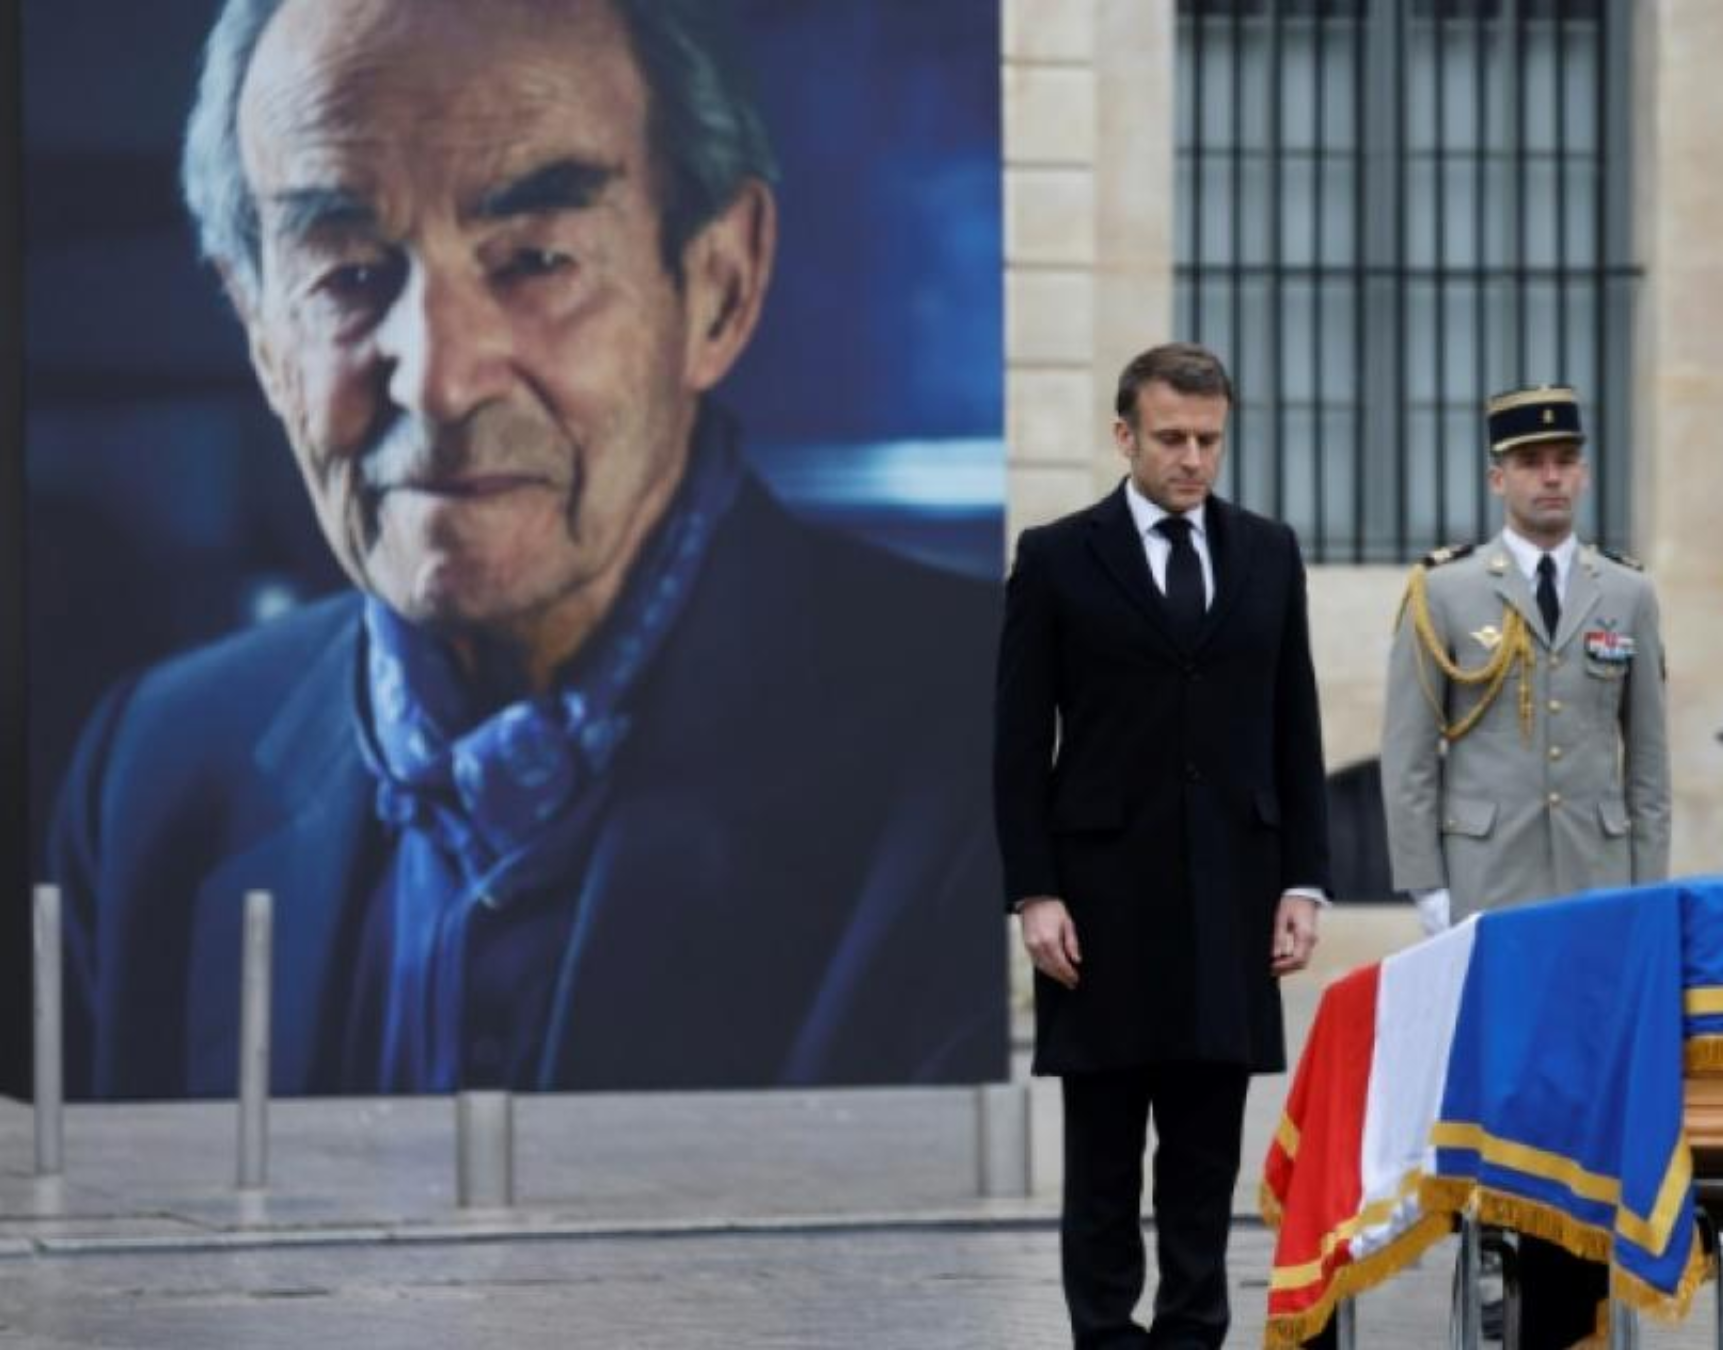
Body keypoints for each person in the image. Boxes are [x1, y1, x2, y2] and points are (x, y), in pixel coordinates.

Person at [50, 0, 1003, 1097]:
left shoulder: (1007, 755)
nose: (441, 376)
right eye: (349, 273)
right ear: (263, 333)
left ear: (719, 288)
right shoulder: (152, 777)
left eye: (537, 259)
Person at [993, 343, 1332, 1350]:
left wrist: (1303, 881)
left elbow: (1295, 728)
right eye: (1173, 438)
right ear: (1124, 436)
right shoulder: (1056, 558)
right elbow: (1017, 745)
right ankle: (1104, 1337)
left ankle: (1193, 1336)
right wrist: (1033, 893)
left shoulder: (1269, 551)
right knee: (1101, 1164)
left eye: (1210, 440)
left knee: (1201, 1159)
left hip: (1230, 897)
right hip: (1097, 906)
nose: (1193, 458)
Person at [1377, 384, 1670, 1349]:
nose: (1551, 477)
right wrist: (1427, 885)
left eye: (1566, 460)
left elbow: (1650, 765)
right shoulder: (1447, 592)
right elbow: (1409, 752)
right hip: (1489, 889)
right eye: (1532, 462)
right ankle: (1496, 1262)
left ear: (1583, 470)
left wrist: (1647, 888)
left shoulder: (1625, 591)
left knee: (1584, 1098)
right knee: (1500, 1096)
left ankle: (1576, 1294)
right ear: (1498, 476)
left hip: (1594, 887)